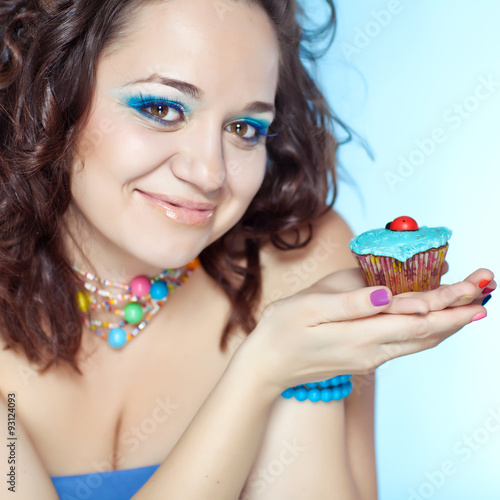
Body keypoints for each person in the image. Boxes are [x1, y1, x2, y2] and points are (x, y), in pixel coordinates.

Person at [0, 0, 493, 499]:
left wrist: (301, 373)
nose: (209, 174)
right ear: (51, 91)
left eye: (243, 129)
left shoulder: (300, 258)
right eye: (161, 108)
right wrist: (262, 370)